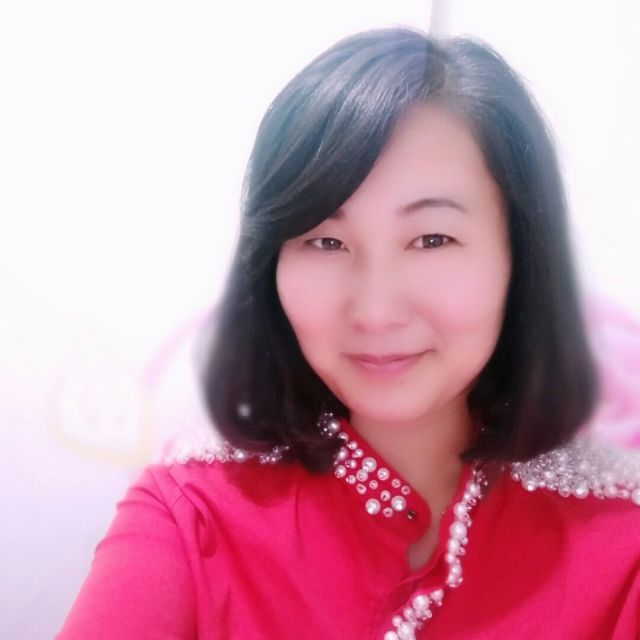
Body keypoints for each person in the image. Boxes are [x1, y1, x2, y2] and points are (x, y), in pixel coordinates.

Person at [57, 26, 640, 639]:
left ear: (518, 254)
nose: (375, 312)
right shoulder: (189, 516)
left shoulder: (621, 547)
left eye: (432, 239)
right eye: (325, 241)